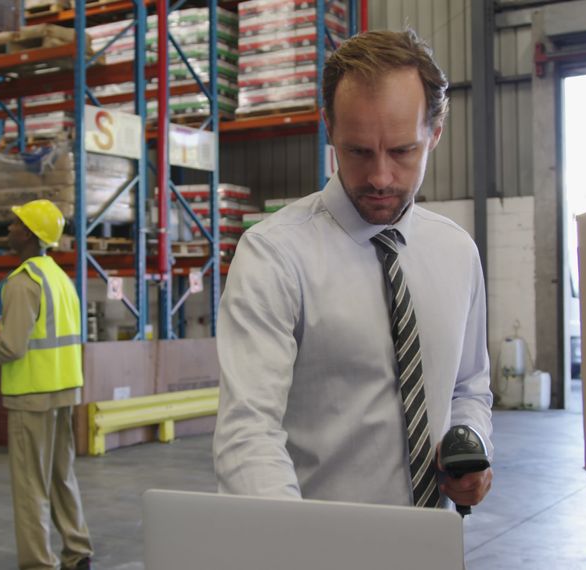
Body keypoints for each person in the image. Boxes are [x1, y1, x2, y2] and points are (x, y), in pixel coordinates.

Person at [212, 29, 494, 510]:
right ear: (330, 129)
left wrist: (471, 443)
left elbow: (468, 385)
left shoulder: (456, 253)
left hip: (432, 545)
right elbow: (248, 430)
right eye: (358, 151)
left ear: (435, 134)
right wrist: (295, 544)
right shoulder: (274, 256)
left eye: (403, 151)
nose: (380, 177)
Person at [0, 199, 93, 570]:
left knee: (30, 485)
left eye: (16, 225)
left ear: (31, 235)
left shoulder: (22, 282)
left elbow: (12, 349)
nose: (9, 231)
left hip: (31, 395)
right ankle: (77, 551)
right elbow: (41, 334)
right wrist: (3, 329)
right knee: (60, 475)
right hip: (63, 390)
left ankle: (38, 563)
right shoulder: (57, 278)